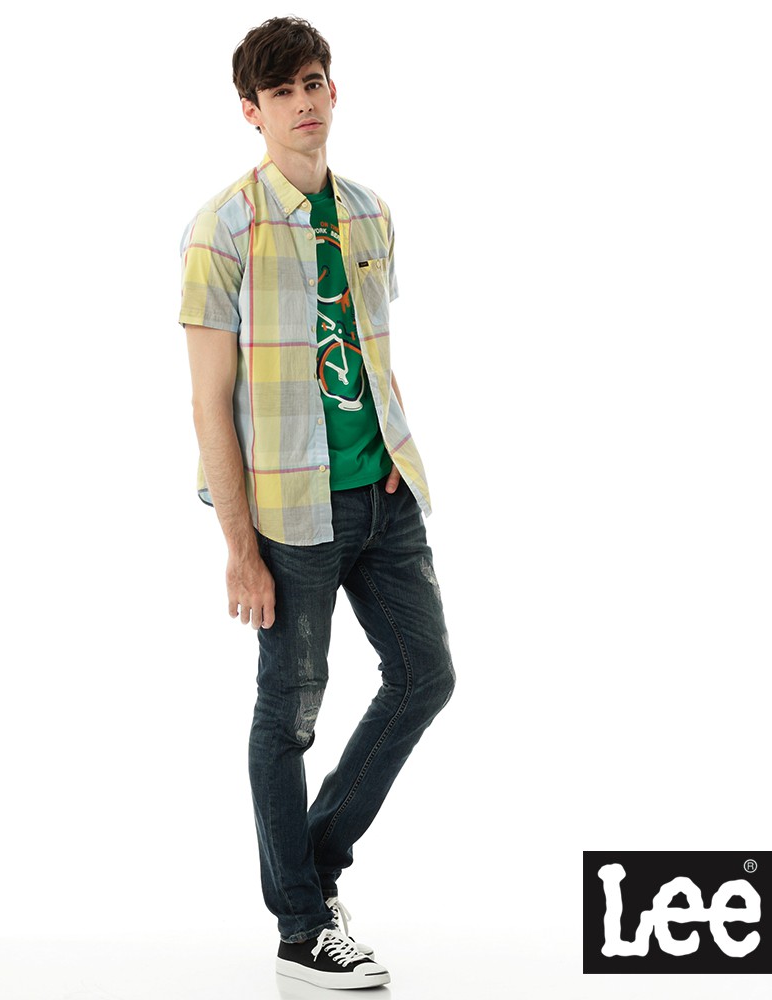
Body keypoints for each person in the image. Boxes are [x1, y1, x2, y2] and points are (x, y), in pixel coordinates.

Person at [179, 16, 455, 990]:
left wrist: (393, 448)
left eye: (313, 83)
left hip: (383, 496)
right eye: (281, 91)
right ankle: (301, 927)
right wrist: (237, 546)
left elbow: (373, 350)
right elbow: (210, 399)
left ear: (333, 91)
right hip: (291, 514)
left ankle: (310, 863)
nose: (303, 103)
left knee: (425, 676)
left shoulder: (371, 212)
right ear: (250, 113)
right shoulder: (223, 228)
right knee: (288, 712)